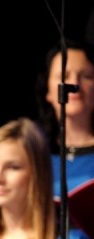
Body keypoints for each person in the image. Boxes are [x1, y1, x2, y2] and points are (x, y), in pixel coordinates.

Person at [35, 38, 94, 196]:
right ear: (47, 90)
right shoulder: (34, 154)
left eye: (86, 76)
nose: (74, 84)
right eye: (64, 77)